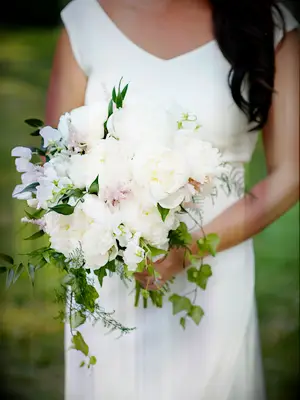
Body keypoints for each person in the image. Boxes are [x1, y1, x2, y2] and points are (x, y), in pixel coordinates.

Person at [46, 0, 299, 399]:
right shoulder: (86, 19)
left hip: (214, 272)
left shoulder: (269, 25)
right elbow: (56, 160)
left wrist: (188, 250)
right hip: (110, 276)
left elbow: (291, 172)